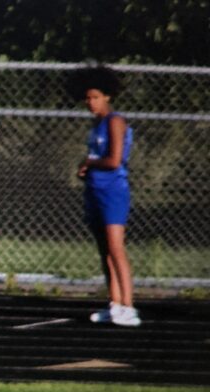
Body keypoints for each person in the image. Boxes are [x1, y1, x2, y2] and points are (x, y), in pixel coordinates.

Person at [71, 66, 140, 328]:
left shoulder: (115, 121)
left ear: (107, 96)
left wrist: (91, 162)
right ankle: (114, 303)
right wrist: (85, 168)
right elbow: (97, 159)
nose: (91, 103)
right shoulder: (95, 124)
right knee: (104, 251)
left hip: (113, 191)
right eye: (87, 98)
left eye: (95, 97)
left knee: (116, 247)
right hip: (94, 190)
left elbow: (113, 160)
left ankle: (129, 306)